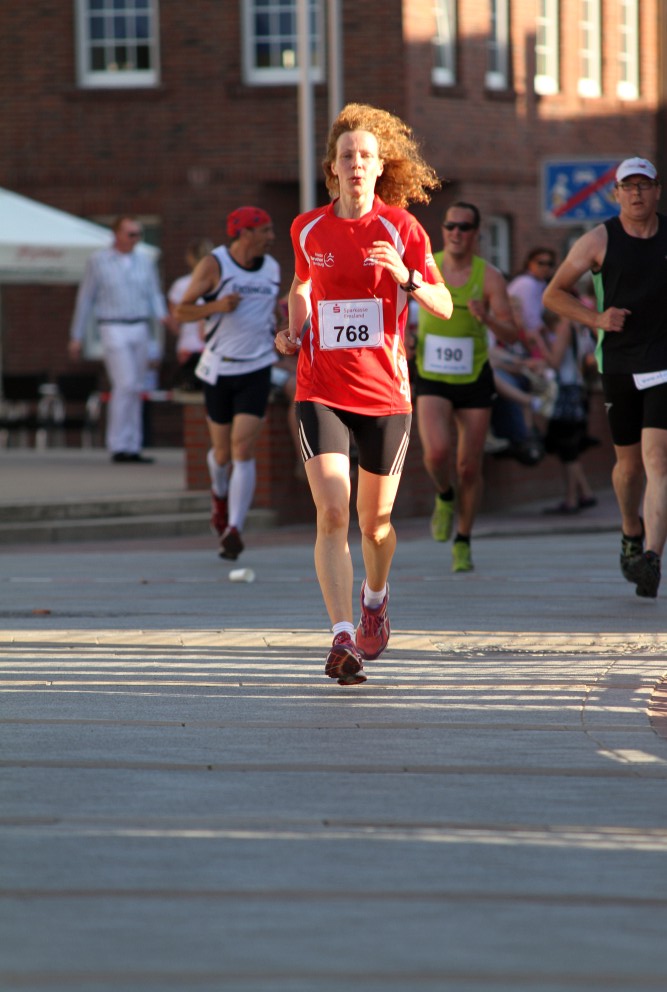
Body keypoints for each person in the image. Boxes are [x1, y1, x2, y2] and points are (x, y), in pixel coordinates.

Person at [275, 102, 453, 687]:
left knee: (374, 525)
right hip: (320, 387)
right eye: (347, 155)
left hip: (385, 395)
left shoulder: (402, 228)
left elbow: (444, 304)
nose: (356, 164)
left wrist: (406, 276)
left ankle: (375, 598)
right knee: (332, 510)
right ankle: (342, 636)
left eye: (366, 156)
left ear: (380, 167)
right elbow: (302, 284)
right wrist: (295, 329)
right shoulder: (307, 228)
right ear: (332, 168)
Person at [543, 155, 666, 599]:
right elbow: (553, 294)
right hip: (618, 363)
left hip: (663, 363)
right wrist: (596, 319)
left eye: (644, 185)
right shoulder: (598, 240)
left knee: (658, 460)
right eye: (628, 186)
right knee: (629, 468)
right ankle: (631, 527)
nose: (636, 193)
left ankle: (651, 557)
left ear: (657, 191)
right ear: (616, 194)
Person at [413, 201, 519, 572]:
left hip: (473, 377)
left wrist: (487, 317)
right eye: (450, 226)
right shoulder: (427, 266)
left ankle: (463, 539)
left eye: (464, 227)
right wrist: (405, 339)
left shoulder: (489, 278)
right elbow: (397, 309)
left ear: (476, 234)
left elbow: (512, 333)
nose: (456, 232)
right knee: (437, 454)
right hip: (431, 374)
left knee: (469, 467)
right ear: (443, 230)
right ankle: (444, 495)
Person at [175, 207, 282, 561]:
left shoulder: (271, 268)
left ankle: (234, 528)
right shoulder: (214, 265)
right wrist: (217, 306)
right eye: (265, 231)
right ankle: (219, 496)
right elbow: (181, 311)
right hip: (219, 369)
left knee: (242, 447)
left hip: (257, 367)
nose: (271, 237)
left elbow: (270, 313)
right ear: (245, 233)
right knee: (221, 454)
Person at [68, 215, 176, 463]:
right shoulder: (98, 260)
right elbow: (86, 299)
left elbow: (154, 293)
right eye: (131, 234)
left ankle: (133, 445)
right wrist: (77, 335)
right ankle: (118, 444)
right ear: (117, 234)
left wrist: (163, 316)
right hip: (112, 326)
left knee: (137, 386)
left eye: (138, 234)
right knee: (125, 383)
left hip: (140, 325)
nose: (136, 239)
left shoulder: (145, 260)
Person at [539, 309, 597, 515]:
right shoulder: (578, 327)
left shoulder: (565, 326)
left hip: (567, 391)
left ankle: (572, 499)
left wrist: (538, 342)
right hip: (576, 389)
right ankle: (585, 493)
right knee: (567, 447)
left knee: (567, 448)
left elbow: (555, 362)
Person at [167, 238, 214, 390]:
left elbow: (174, 321)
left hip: (188, 345)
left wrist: (183, 332)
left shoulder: (180, 285)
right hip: (212, 346)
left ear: (190, 258)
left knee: (190, 388)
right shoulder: (218, 282)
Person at [508, 246, 557, 355]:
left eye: (550, 264)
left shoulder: (539, 283)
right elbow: (531, 319)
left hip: (525, 339)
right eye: (541, 263)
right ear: (529, 263)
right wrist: (551, 339)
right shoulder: (527, 283)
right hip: (518, 341)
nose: (545, 267)